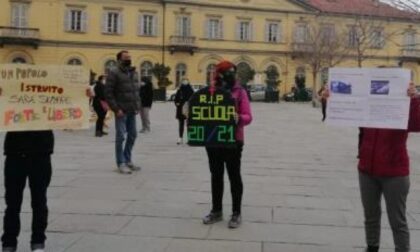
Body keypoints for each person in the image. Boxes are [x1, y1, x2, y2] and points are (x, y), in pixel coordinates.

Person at [358, 83, 420, 252]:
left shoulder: (402, 105)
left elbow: (416, 124)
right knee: (370, 216)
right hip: (366, 170)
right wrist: (331, 99)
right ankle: (372, 247)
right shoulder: (367, 105)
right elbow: (345, 113)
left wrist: (414, 99)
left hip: (395, 173)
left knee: (397, 220)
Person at [202, 61, 252, 229]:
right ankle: (216, 211)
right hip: (213, 140)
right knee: (216, 176)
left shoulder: (240, 92)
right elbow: (201, 111)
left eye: (233, 71)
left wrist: (240, 118)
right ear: (220, 74)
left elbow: (248, 116)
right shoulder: (210, 91)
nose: (232, 74)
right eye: (228, 71)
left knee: (234, 176)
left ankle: (236, 213)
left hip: (233, 141)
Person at [105, 50, 142, 174]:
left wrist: (138, 106)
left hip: (132, 109)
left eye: (129, 57)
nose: (128, 59)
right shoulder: (114, 73)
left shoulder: (134, 72)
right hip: (121, 110)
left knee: (133, 135)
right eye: (126, 57)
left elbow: (136, 91)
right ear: (119, 59)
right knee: (120, 136)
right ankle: (120, 163)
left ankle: (127, 159)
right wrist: (116, 109)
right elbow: (108, 93)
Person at [174, 78, 194, 145]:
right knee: (181, 124)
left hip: (188, 109)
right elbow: (176, 99)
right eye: (183, 81)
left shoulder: (191, 91)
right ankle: (180, 138)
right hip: (180, 109)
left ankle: (189, 138)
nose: (185, 82)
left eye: (186, 81)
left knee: (189, 124)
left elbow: (194, 99)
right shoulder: (179, 90)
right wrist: (177, 103)